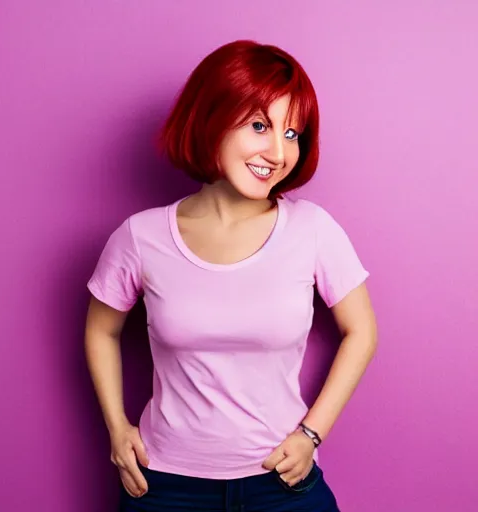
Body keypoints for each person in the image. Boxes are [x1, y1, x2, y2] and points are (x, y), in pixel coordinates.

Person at [84, 39, 378, 512]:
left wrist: (310, 433)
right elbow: (100, 329)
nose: (278, 153)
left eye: (292, 133)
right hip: (164, 486)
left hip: (279, 482)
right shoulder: (140, 237)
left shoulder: (313, 230)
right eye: (260, 125)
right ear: (211, 118)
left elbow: (362, 331)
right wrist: (117, 430)